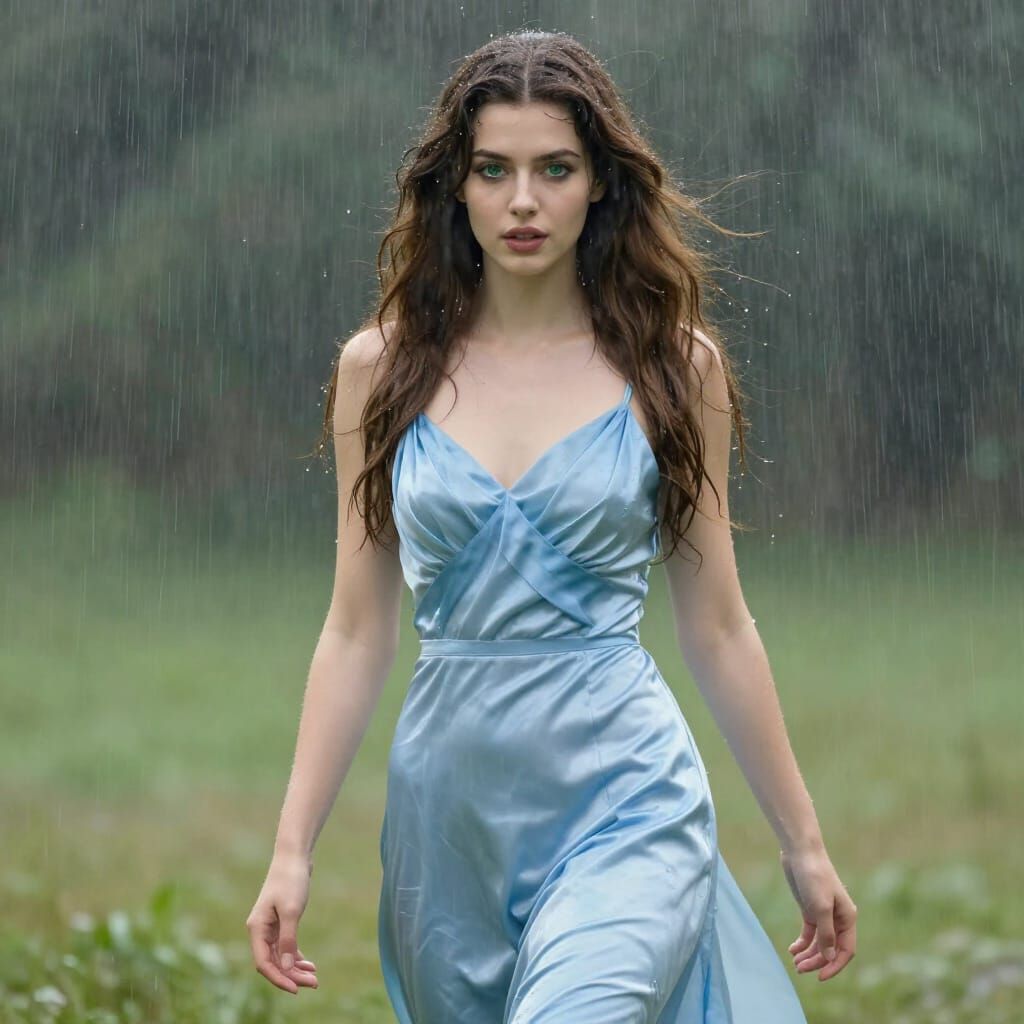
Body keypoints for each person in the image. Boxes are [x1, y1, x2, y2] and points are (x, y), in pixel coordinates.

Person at [246, 29, 857, 1022]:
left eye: (554, 169)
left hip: (626, 795)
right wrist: (290, 850)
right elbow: (356, 629)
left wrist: (803, 842)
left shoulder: (675, 366)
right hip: (447, 821)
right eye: (494, 170)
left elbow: (719, 623)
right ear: (457, 187)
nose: (523, 201)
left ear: (599, 185)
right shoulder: (379, 371)